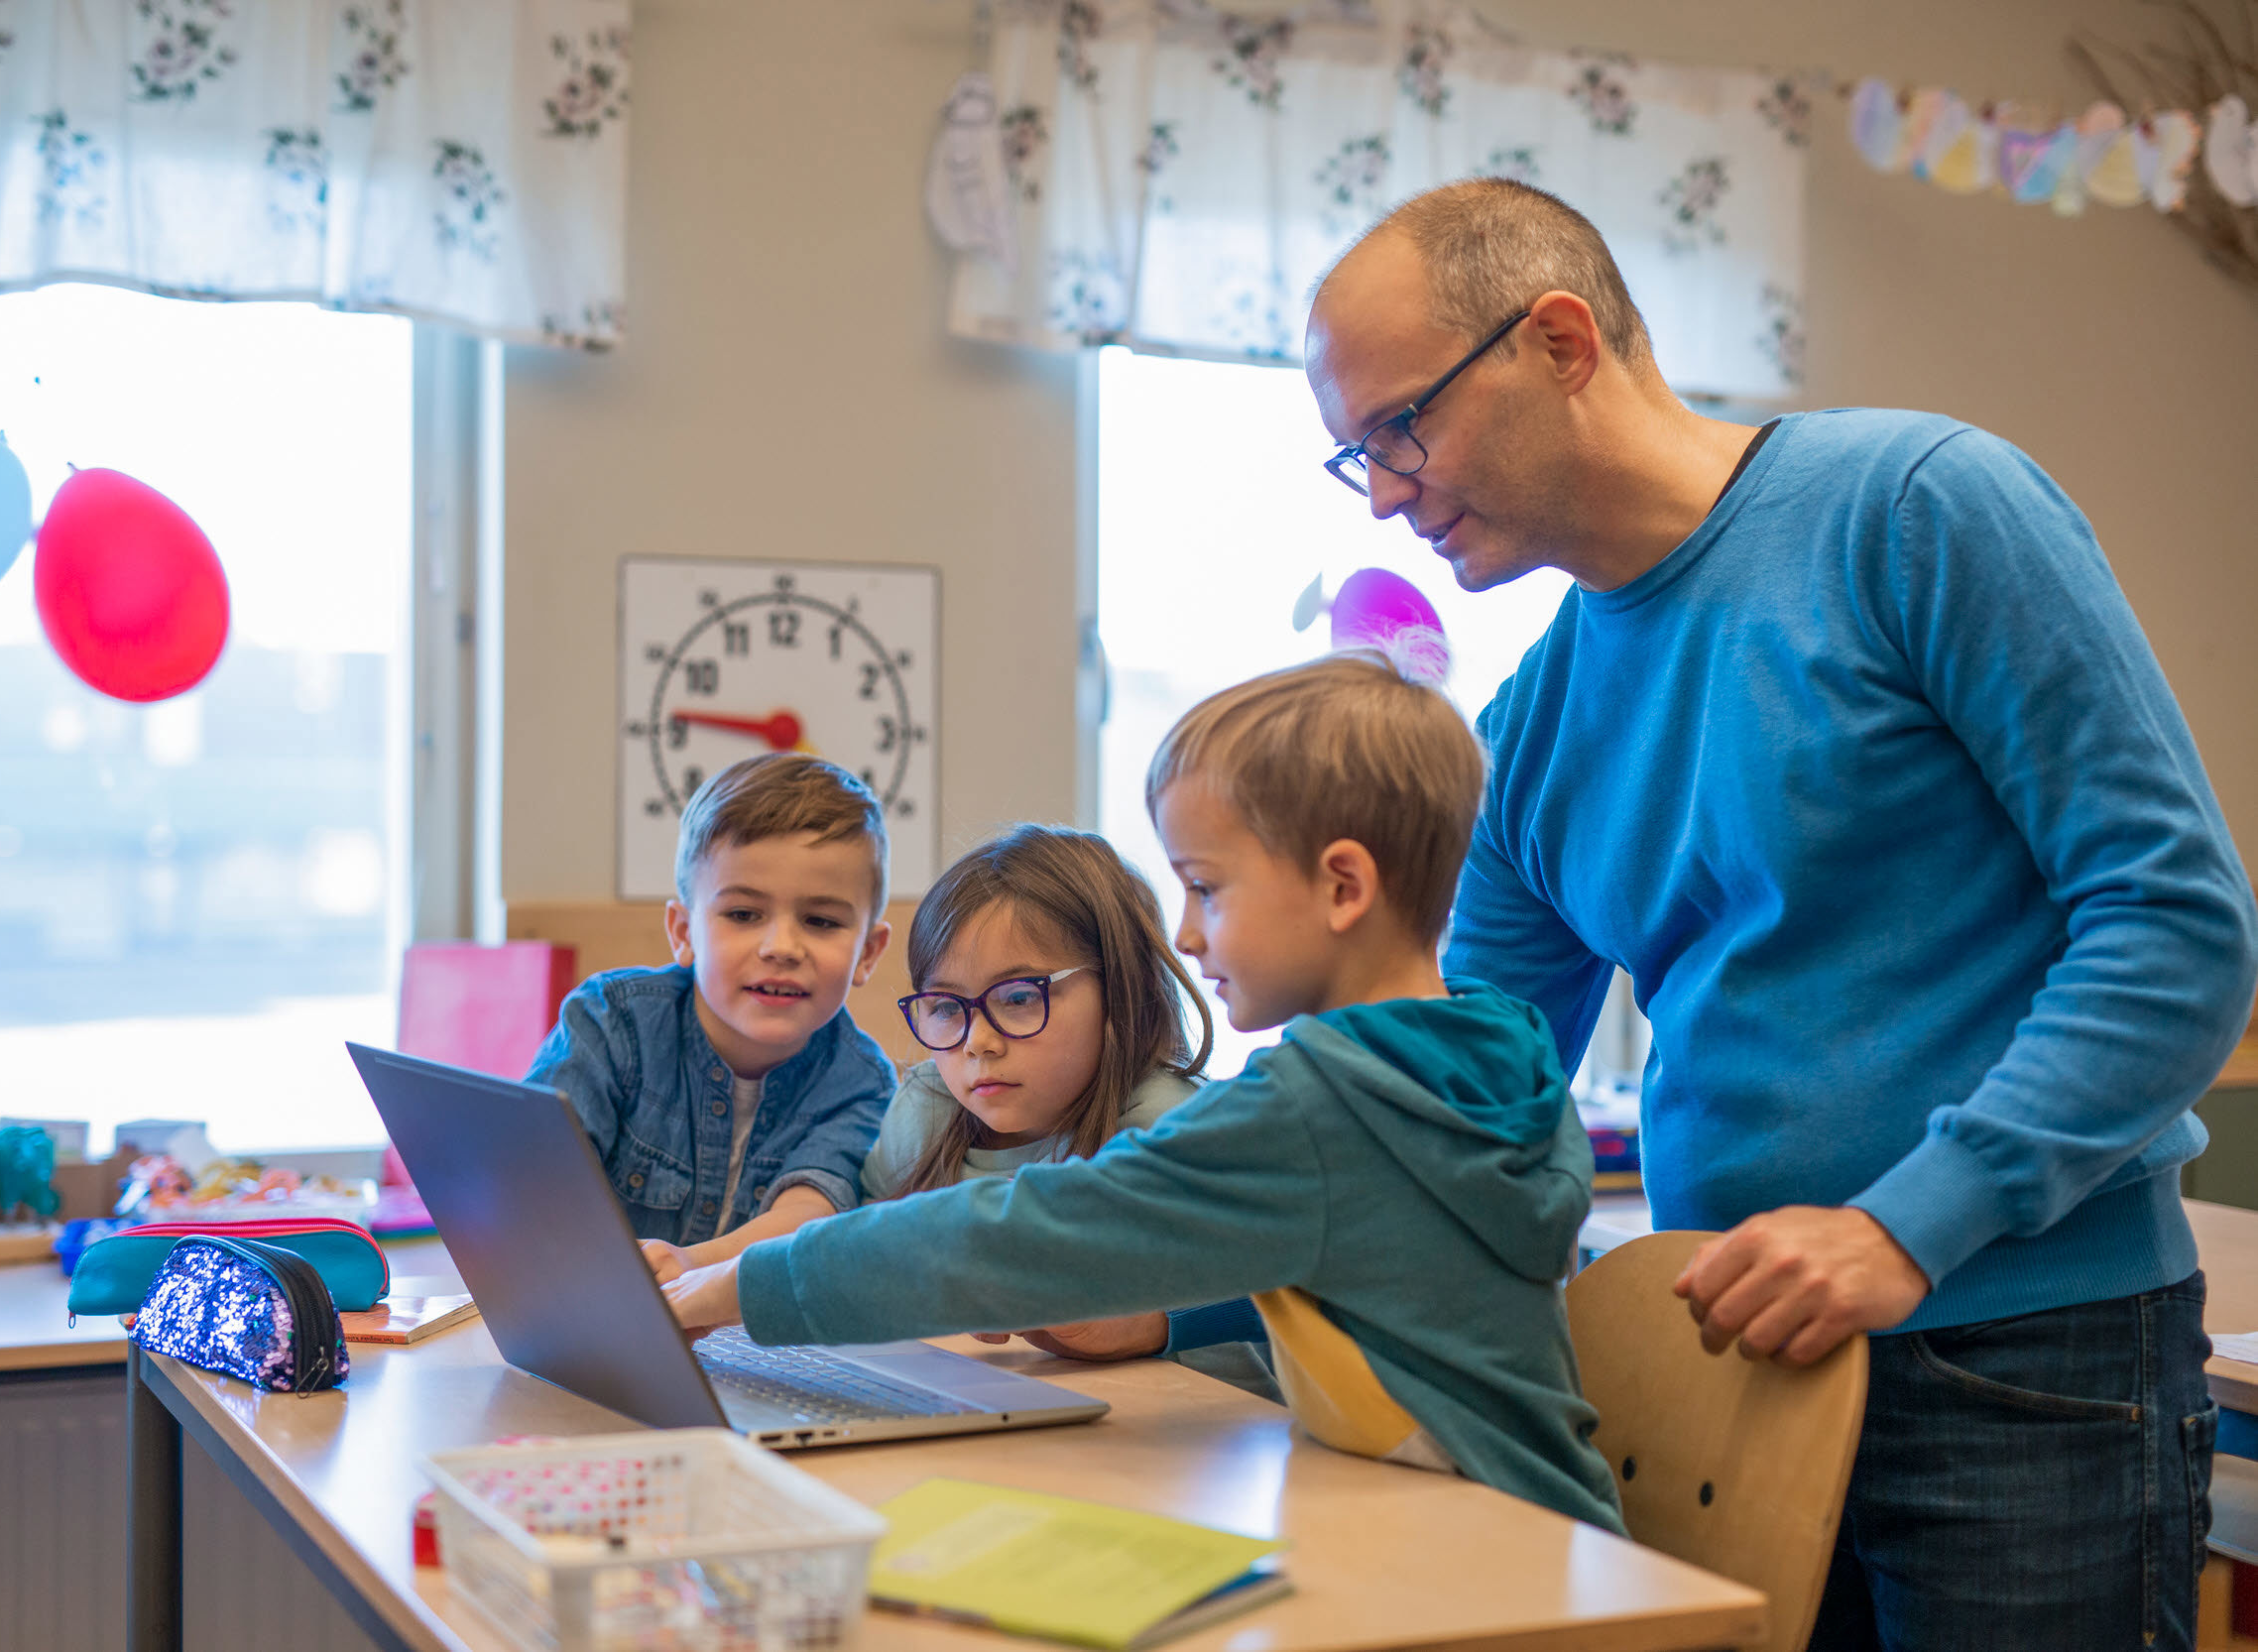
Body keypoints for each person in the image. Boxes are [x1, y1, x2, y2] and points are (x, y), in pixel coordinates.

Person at [1302, 177, 2258, 1649]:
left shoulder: (1917, 509)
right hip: (1740, 1365)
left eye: (1400, 427)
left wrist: (1907, 1224)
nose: (1384, 491)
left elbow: (2178, 925)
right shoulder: (1535, 726)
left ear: (1560, 340)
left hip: (2029, 1354)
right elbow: (1454, 1102)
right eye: (1351, 456)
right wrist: (1173, 1294)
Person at [662, 653, 1625, 1531]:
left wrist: (731, 1290)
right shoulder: (1484, 1052)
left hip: (1491, 1556)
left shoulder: (1321, 1108)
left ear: (1342, 888)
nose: (1189, 934)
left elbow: (1013, 1234)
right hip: (1551, 1534)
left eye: (1206, 888)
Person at [850, 821, 1271, 1390]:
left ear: (1121, 989)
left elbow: (1280, 1298)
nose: (978, 1041)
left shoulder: (1174, 1130)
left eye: (1020, 997)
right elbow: (862, 1245)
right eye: (946, 1006)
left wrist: (1150, 1325)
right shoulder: (925, 1108)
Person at [525, 752, 896, 1255]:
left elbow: (806, 1219)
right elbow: (536, 1180)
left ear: (867, 954)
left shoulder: (861, 1083)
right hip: (590, 1318)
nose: (781, 947)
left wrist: (685, 1269)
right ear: (684, 932)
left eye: (821, 921)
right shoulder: (611, 1022)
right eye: (743, 914)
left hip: (756, 1332)